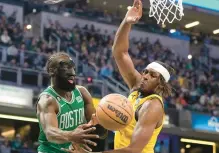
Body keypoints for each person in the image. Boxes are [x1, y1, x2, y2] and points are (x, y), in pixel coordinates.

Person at [62, 0, 174, 153]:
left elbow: (134, 150)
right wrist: (127, 22)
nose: (145, 76)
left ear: (160, 84)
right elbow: (120, 52)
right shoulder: (137, 85)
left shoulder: (152, 106)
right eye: (145, 72)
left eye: (152, 75)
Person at [36, 52, 106, 153]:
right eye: (66, 68)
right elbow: (50, 132)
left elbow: (98, 131)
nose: (72, 73)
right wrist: (72, 135)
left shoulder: (82, 93)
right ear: (52, 71)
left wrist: (106, 123)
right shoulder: (47, 100)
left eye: (73, 69)